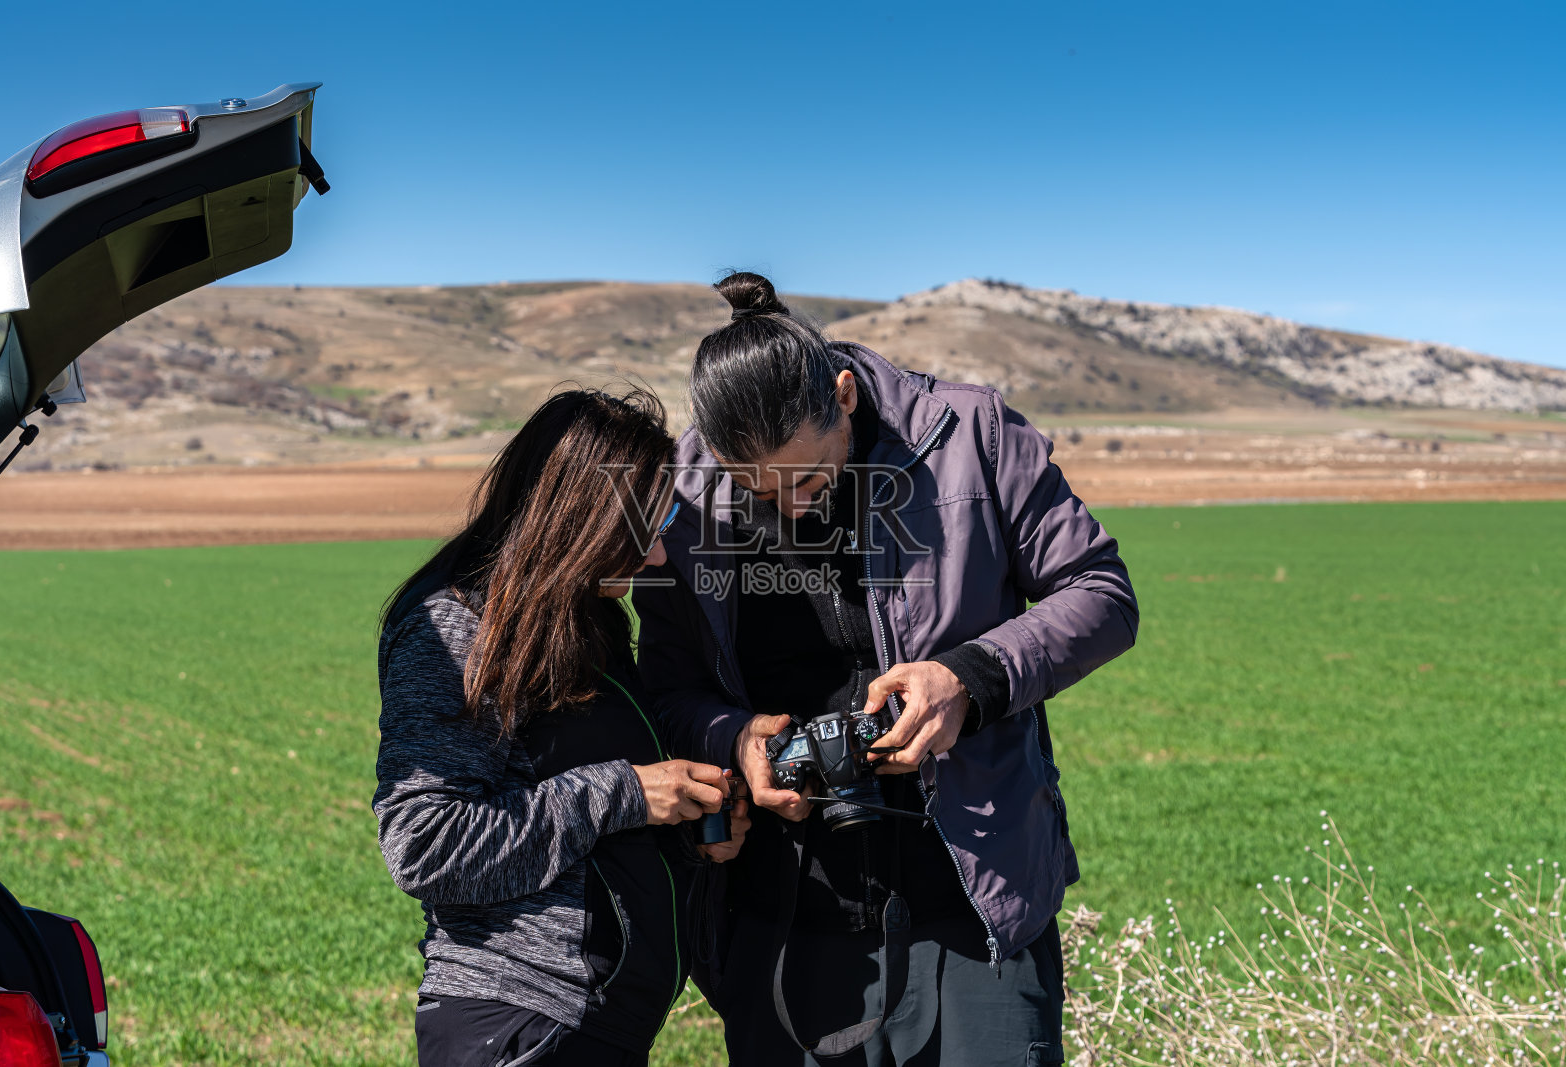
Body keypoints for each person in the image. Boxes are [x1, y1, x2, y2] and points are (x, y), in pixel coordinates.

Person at [633, 273, 1139, 1066]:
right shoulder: (687, 492)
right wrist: (734, 739)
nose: (789, 505)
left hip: (976, 907)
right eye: (753, 487)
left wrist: (969, 679)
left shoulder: (974, 435)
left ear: (842, 395)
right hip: (781, 918)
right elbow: (664, 686)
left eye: (805, 477)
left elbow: (1103, 594)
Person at [374, 388, 749, 1067]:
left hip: (593, 1028)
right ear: (581, 516)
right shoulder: (458, 627)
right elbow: (424, 842)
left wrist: (687, 828)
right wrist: (629, 792)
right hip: (519, 1027)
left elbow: (585, 823)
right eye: (647, 525)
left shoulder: (587, 619)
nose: (660, 555)